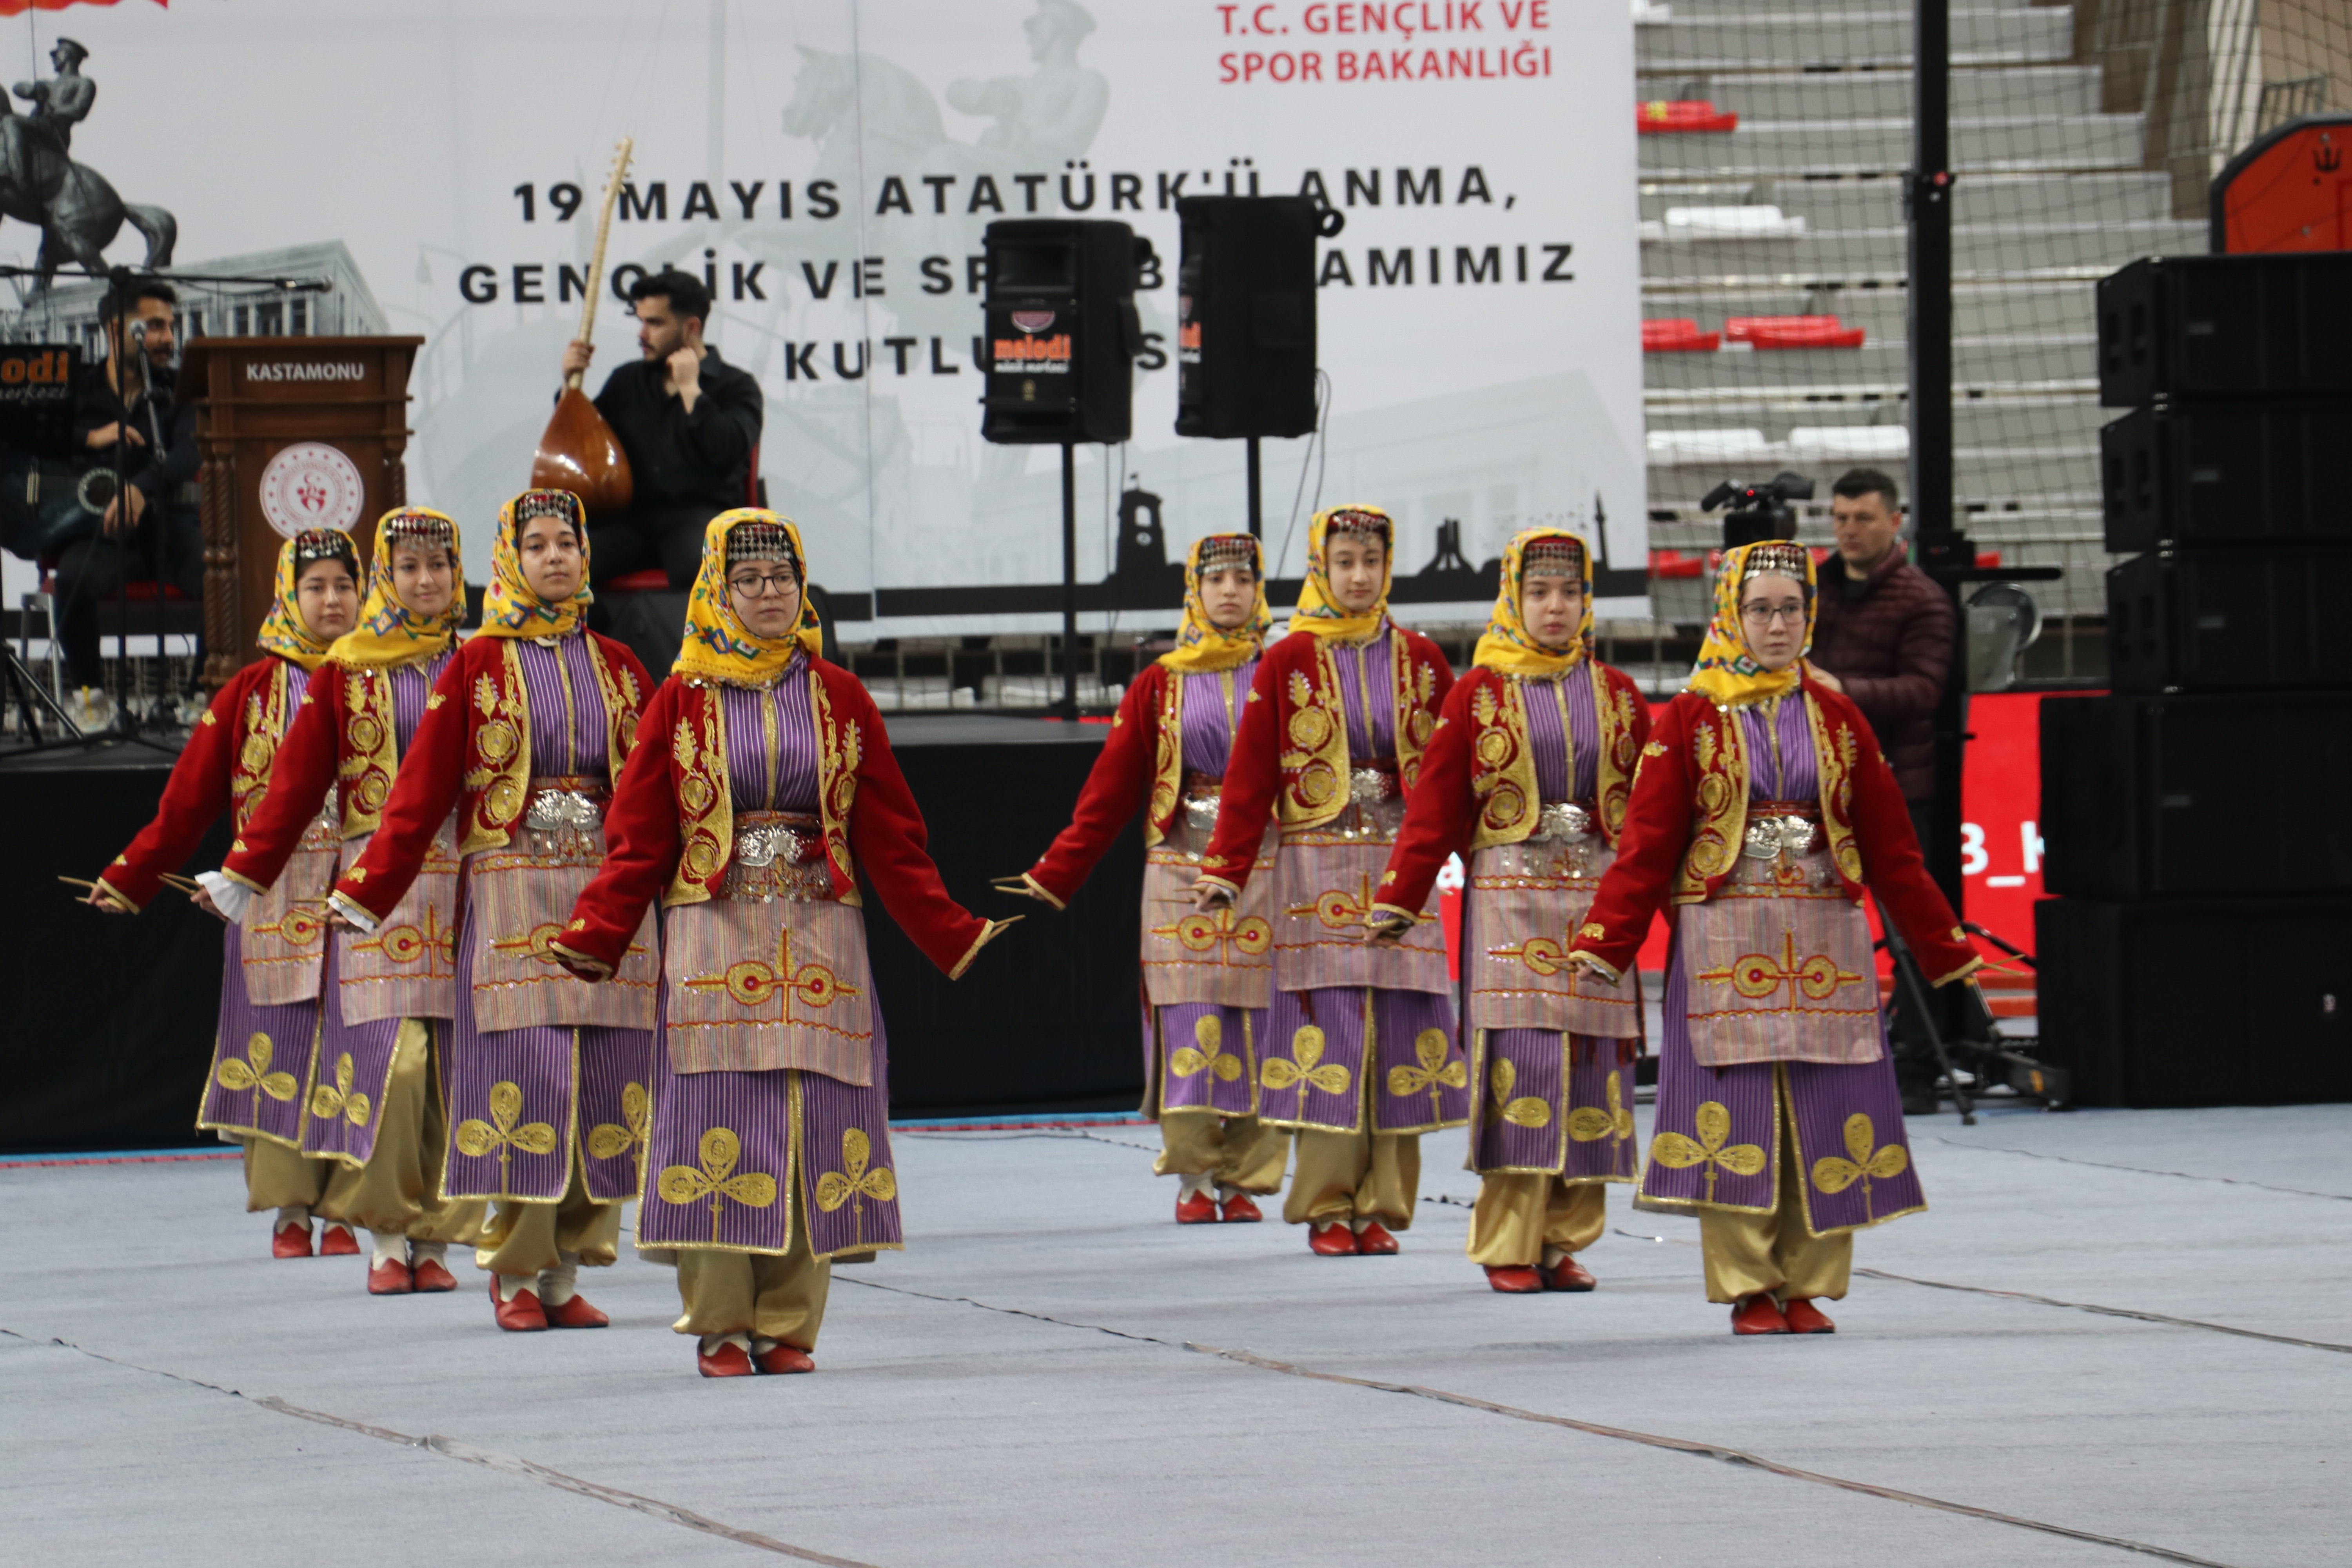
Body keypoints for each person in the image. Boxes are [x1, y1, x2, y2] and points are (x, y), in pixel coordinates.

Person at [551, 510, 1016, 1378]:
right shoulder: (679, 697)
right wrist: (598, 928)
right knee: (719, 1116)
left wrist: (949, 927)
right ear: (717, 591)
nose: (768, 594)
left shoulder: (842, 696)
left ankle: (789, 1326)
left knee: (814, 1115)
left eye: (782, 579)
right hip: (711, 929)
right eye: (749, 581)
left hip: (820, 930)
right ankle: (722, 1324)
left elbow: (890, 832)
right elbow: (640, 834)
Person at [1563, 541, 1982, 1336]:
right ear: (1731, 612)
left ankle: (1809, 1285)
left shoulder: (1839, 715)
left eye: (1792, 608)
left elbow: (1891, 844)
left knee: (1830, 1101)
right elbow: (1649, 843)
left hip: (1826, 929)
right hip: (1727, 931)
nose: (1779, 624)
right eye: (1762, 609)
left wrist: (1942, 942)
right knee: (1738, 1105)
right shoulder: (1688, 715)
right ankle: (1752, 1284)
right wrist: (1605, 939)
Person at [327, 490, 657, 1334]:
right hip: (513, 888)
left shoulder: (624, 665)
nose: (554, 558)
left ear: (586, 557)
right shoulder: (473, 665)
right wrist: (366, 890)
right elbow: (418, 794)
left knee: (606, 1082)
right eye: (536, 544)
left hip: (606, 889)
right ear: (511, 559)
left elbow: (659, 797)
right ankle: (514, 1269)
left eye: (566, 544)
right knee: (530, 1079)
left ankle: (564, 1274)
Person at [207, 510, 485, 1296]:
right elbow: (293, 783)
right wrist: (244, 873)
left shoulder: (483, 662)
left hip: (464, 885)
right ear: (388, 580)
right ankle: (382, 1228)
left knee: (450, 1071)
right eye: (409, 567)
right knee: (393, 1066)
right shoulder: (348, 669)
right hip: (370, 884)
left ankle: (432, 1238)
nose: (426, 581)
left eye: (439, 566)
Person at [1371, 528, 1651, 1293]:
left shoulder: (1622, 696)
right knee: (1520, 1064)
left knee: (1597, 1070)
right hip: (1511, 898)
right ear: (1512, 598)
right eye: (1539, 593)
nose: (1555, 607)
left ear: (1587, 601)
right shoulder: (1476, 693)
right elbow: (1432, 811)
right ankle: (1506, 1242)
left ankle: (1563, 1238)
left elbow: (1658, 813)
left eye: (1569, 593)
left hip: (1597, 897)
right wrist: (1399, 895)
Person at [79, 529, 363, 1258]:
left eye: (344, 585)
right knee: (280, 1046)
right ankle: (291, 1210)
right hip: (267, 895)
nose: (331, 600)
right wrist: (131, 875)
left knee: (357, 1046)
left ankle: (348, 1211)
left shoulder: (387, 681)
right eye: (315, 587)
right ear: (286, 596)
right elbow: (188, 802)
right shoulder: (249, 692)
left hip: (365, 892)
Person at [1190, 505, 1463, 1257]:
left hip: (1401, 870)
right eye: (1343, 561)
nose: (1358, 576)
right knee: (1330, 1038)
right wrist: (1225, 869)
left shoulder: (1424, 661)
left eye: (1371, 562)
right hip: (1314, 872)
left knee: (1405, 1036)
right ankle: (1324, 1207)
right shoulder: (1287, 660)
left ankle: (1382, 1208)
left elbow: (1451, 776)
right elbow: (1249, 780)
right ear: (1320, 567)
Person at [995, 534, 1289, 1225]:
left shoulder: (1286, 676)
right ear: (1194, 589)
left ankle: (1247, 1179)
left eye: (1243, 579)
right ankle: (1193, 1179)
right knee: (1189, 1025)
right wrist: (1056, 870)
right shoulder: (1160, 683)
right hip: (1180, 866)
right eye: (1214, 580)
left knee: (1261, 1026)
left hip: (1268, 871)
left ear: (1259, 589)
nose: (1229, 592)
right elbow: (1111, 791)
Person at [1807, 468, 1958, 1111]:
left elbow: (1925, 692)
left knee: (1914, 926)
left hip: (1898, 787)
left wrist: (1841, 691)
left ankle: (1919, 1064)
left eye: (1863, 518)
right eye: (1840, 517)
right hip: (1813, 785)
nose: (1848, 530)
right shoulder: (1813, 588)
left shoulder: (1924, 600)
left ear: (1896, 522)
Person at [53, 278, 200, 726]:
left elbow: (188, 451)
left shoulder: (180, 388)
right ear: (117, 330)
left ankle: (197, 699)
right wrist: (89, 437)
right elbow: (29, 436)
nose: (168, 339)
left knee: (225, 580)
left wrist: (139, 487)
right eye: (154, 326)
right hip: (103, 530)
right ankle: (90, 699)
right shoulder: (76, 388)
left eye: (171, 327)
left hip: (171, 523)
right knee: (72, 582)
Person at [559, 269, 763, 591]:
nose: (642, 334)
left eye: (655, 323)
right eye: (641, 321)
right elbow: (583, 443)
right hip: (631, 521)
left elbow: (728, 450)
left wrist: (692, 392)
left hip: (700, 516)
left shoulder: (735, 385)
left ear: (691, 328)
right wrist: (570, 384)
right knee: (563, 569)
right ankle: (604, 642)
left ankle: (693, 643)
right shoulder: (627, 380)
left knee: (704, 570)